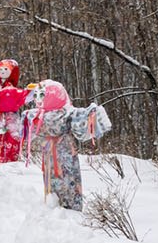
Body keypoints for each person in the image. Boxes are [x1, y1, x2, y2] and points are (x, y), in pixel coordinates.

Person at [31, 80, 111, 211]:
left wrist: (93, 114)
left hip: (65, 153)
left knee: (68, 180)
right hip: (49, 155)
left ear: (53, 96)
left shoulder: (67, 113)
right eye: (36, 95)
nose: (37, 99)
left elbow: (82, 118)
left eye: (42, 95)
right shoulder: (39, 115)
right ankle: (53, 207)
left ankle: (71, 210)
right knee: (52, 182)